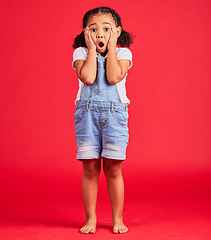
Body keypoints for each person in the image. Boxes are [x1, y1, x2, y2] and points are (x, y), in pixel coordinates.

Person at [72, 7, 133, 234]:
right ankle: (91, 218)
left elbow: (113, 76)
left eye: (106, 29)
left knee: (113, 168)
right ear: (86, 33)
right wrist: (90, 49)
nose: (100, 34)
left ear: (116, 32)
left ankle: (117, 218)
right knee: (89, 168)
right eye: (93, 29)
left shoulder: (124, 54)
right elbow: (88, 78)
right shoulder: (80, 53)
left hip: (115, 115)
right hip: (87, 114)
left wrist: (113, 47)